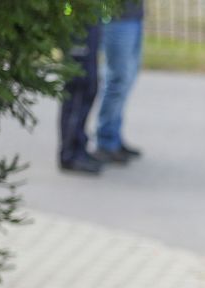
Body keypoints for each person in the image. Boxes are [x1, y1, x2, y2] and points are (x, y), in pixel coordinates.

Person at [95, 0, 144, 164]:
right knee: (117, 80)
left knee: (127, 79)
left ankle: (114, 136)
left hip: (133, 14)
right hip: (114, 17)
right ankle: (106, 140)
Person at [59, 22, 102, 174]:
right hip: (79, 24)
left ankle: (79, 149)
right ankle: (70, 154)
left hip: (90, 19)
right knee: (78, 88)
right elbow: (67, 7)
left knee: (89, 88)